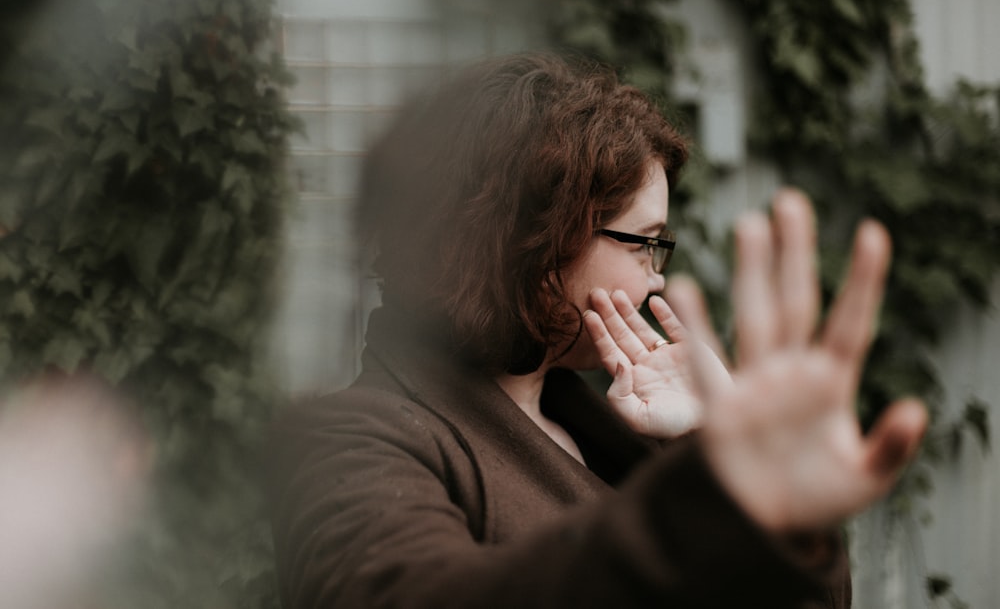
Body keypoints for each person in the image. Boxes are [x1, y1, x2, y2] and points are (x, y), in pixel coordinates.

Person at [267, 53, 928, 608]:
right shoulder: (350, 445)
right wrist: (711, 497)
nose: (656, 278)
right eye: (642, 243)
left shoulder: (617, 430)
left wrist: (726, 450)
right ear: (526, 239)